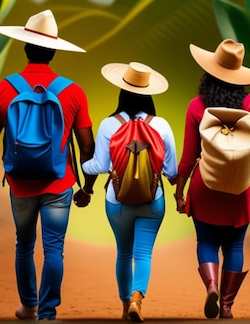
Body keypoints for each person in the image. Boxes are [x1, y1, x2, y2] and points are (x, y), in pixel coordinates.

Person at [0, 9, 97, 321]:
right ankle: (47, 313)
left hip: (20, 183)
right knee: (54, 250)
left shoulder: (3, 89)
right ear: (54, 51)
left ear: (25, 47)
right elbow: (88, 147)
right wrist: (87, 187)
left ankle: (29, 306)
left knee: (24, 246)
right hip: (58, 183)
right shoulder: (73, 92)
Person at [174, 39, 250, 319]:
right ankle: (227, 305)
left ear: (209, 72)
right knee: (234, 245)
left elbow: (188, 157)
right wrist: (241, 163)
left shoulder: (196, 106)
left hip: (205, 187)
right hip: (241, 190)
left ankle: (212, 286)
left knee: (205, 242)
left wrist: (179, 193)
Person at [76, 62, 178, 322]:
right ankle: (137, 299)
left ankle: (124, 308)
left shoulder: (109, 124)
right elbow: (172, 172)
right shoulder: (162, 125)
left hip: (117, 200)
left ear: (121, 92)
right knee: (143, 253)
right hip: (152, 200)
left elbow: (97, 166)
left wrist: (79, 162)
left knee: (123, 253)